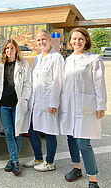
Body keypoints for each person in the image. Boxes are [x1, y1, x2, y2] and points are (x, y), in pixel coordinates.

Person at [60, 27, 106, 188]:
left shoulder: (94, 59)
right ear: (70, 41)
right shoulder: (68, 60)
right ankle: (77, 167)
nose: (77, 42)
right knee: (71, 138)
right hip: (69, 106)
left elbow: (99, 84)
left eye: (80, 38)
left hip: (86, 106)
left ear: (86, 40)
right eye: (74, 39)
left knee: (83, 143)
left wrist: (101, 105)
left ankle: (93, 179)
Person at [24, 29, 63, 171]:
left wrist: (54, 103)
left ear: (50, 40)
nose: (41, 42)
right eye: (39, 40)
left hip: (48, 101)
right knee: (32, 130)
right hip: (35, 101)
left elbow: (58, 81)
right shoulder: (38, 58)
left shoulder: (57, 57)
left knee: (50, 131)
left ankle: (50, 162)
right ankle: (38, 158)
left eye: (43, 39)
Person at [0, 39, 31, 175]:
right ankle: (14, 160)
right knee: (8, 133)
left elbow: (27, 83)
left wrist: (25, 98)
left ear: (16, 50)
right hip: (4, 104)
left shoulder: (23, 64)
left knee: (17, 132)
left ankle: (13, 160)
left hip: (17, 103)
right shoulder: (0, 65)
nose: (9, 51)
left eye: (12, 48)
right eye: (7, 48)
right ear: (4, 51)